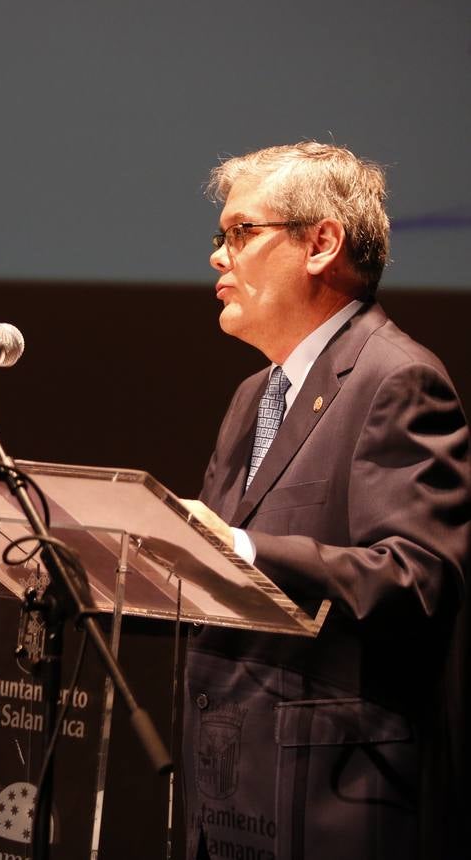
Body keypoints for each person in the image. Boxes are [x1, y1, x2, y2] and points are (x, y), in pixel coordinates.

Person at [179, 142, 468, 860]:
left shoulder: (397, 380)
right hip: (228, 799)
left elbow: (417, 577)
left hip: (331, 799)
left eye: (241, 233)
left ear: (322, 243)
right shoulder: (254, 396)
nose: (219, 256)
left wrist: (241, 550)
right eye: (221, 237)